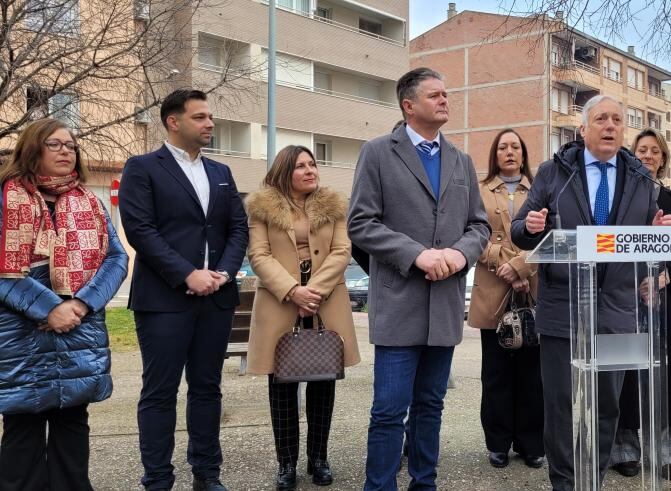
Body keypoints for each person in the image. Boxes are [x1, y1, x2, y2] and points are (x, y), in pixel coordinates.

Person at [510, 95, 671, 491]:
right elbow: (519, 231)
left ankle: (593, 481)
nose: (610, 126)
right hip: (563, 313)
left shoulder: (641, 180)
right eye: (601, 118)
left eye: (617, 119)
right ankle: (565, 484)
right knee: (562, 407)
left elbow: (643, 239)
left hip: (618, 312)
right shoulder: (553, 173)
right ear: (583, 129)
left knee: (607, 406)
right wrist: (531, 225)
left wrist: (657, 230)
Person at [347, 67, 490, 491]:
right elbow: (361, 223)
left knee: (431, 405)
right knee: (389, 410)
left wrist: (456, 254)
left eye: (446, 94)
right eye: (435, 95)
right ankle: (381, 486)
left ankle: (424, 483)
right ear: (409, 106)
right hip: (399, 304)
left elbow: (479, 227)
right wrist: (418, 255)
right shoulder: (376, 153)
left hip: (443, 306)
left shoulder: (461, 160)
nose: (445, 100)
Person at [119, 89, 249, 491]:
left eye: (210, 117)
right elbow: (140, 229)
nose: (209, 123)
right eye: (200, 117)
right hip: (164, 300)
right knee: (160, 392)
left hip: (216, 298)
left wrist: (224, 273)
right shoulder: (142, 168)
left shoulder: (221, 174)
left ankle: (207, 475)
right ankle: (157, 478)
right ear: (173, 121)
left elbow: (237, 229)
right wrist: (187, 274)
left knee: (207, 388)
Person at [0, 119, 129, 491]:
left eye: (71, 145)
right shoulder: (6, 197)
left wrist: (82, 305)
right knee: (22, 429)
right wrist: (48, 308)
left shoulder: (90, 202)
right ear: (32, 149)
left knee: (73, 425)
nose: (65, 151)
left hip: (79, 328)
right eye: (54, 144)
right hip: (20, 333)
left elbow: (116, 259)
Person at [244, 145, 361, 490]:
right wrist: (294, 291)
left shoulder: (333, 206)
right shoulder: (262, 208)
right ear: (285, 172)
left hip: (326, 302)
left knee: (323, 381)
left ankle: (319, 459)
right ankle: (286, 465)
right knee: (282, 385)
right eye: (301, 166)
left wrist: (315, 291)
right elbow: (259, 255)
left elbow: (342, 251)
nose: (311, 170)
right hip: (281, 303)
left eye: (313, 164)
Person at [610, 129, 671, 481]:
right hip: (621, 301)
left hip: (662, 303)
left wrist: (660, 279)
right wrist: (629, 281)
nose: (647, 155)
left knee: (665, 378)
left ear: (663, 158)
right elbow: (608, 247)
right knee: (624, 376)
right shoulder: (615, 199)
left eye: (654, 151)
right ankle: (624, 451)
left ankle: (665, 455)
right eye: (641, 150)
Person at [466, 129, 544, 470]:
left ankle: (531, 444)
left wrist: (523, 267)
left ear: (524, 153)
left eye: (515, 146)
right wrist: (503, 261)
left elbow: (553, 235)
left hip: (534, 289)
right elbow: (469, 233)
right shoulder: (479, 191)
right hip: (493, 288)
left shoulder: (541, 190)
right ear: (494, 155)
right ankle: (497, 443)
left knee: (533, 374)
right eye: (502, 147)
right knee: (496, 373)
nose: (509, 152)